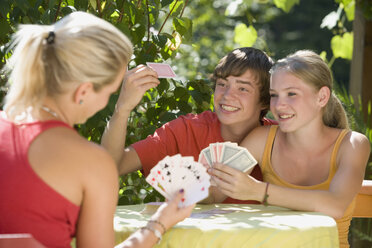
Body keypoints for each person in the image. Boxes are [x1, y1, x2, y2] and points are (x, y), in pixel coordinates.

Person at [0, 11, 194, 248]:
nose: (107, 101)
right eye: (110, 93)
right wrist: (160, 222)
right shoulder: (91, 162)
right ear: (83, 92)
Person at [209, 50, 370, 248]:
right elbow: (215, 193)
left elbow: (335, 206)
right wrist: (190, 182)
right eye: (274, 95)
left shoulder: (353, 144)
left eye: (291, 94)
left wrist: (258, 191)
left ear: (322, 97)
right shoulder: (263, 139)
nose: (279, 105)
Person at [101, 47, 276, 204]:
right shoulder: (184, 130)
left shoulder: (280, 138)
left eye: (243, 88)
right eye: (222, 84)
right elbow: (113, 166)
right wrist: (122, 108)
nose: (227, 95)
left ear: (265, 101)